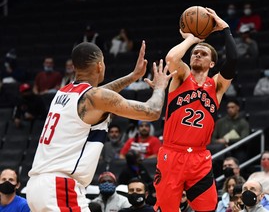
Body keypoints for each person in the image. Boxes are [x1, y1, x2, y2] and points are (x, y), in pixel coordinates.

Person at [26, 41, 176, 211]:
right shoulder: (93, 98)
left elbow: (100, 95)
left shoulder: (64, 92)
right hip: (59, 187)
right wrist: (160, 87)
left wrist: (132, 77)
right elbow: (153, 111)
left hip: (38, 185)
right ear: (99, 65)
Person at [153, 8, 238, 212]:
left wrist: (225, 28)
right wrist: (192, 39)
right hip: (172, 154)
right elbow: (172, 57)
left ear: (212, 63)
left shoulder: (216, 86)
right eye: (195, 53)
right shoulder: (181, 76)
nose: (198, 54)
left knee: (208, 207)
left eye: (203, 53)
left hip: (199, 158)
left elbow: (233, 61)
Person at [211, 98, 250, 163]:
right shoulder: (220, 122)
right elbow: (212, 138)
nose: (230, 109)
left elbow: (244, 139)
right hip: (222, 149)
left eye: (232, 107)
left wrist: (228, 141)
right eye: (228, 108)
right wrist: (220, 142)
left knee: (241, 155)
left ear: (238, 108)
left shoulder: (243, 123)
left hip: (237, 149)